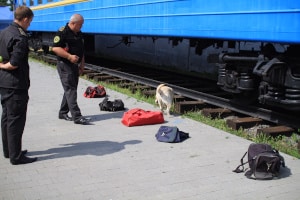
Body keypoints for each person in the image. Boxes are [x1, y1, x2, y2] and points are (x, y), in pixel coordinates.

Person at [0, 6, 37, 165]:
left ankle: (9, 151)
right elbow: (14, 64)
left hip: (4, 82)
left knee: (7, 117)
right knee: (16, 120)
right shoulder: (20, 37)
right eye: (30, 21)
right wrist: (2, 66)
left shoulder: (4, 32)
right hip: (16, 84)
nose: (29, 24)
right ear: (26, 19)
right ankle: (16, 157)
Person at [52, 14, 89, 125]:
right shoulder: (62, 32)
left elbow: (81, 51)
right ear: (73, 23)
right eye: (80, 25)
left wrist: (82, 65)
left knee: (70, 89)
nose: (81, 27)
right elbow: (55, 48)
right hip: (65, 64)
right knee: (71, 90)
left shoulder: (79, 34)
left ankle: (63, 112)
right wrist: (69, 56)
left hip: (74, 65)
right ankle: (77, 116)